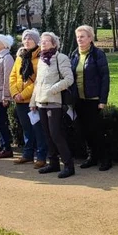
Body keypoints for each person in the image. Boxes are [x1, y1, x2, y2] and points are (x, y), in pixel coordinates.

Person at [31, 32, 76, 179]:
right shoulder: (41, 60)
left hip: (54, 102)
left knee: (56, 134)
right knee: (47, 134)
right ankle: (53, 163)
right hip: (41, 102)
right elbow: (37, 83)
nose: (42, 43)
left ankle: (69, 165)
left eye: (46, 41)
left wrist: (52, 90)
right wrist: (33, 101)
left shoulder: (61, 58)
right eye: (41, 42)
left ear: (54, 44)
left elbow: (69, 79)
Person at [69, 25, 112, 171]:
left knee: (96, 131)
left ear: (90, 38)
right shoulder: (74, 55)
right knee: (84, 130)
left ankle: (105, 158)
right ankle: (92, 157)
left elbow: (105, 77)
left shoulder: (98, 54)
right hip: (79, 99)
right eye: (78, 37)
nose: (79, 39)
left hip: (93, 99)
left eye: (82, 36)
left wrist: (102, 100)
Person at [11, 29, 49, 167]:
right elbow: (13, 76)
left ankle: (41, 156)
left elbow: (39, 80)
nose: (27, 41)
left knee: (38, 129)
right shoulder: (20, 56)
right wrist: (15, 93)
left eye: (30, 39)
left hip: (34, 100)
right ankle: (27, 154)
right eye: (25, 39)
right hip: (19, 99)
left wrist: (24, 94)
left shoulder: (41, 57)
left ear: (36, 41)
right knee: (26, 128)